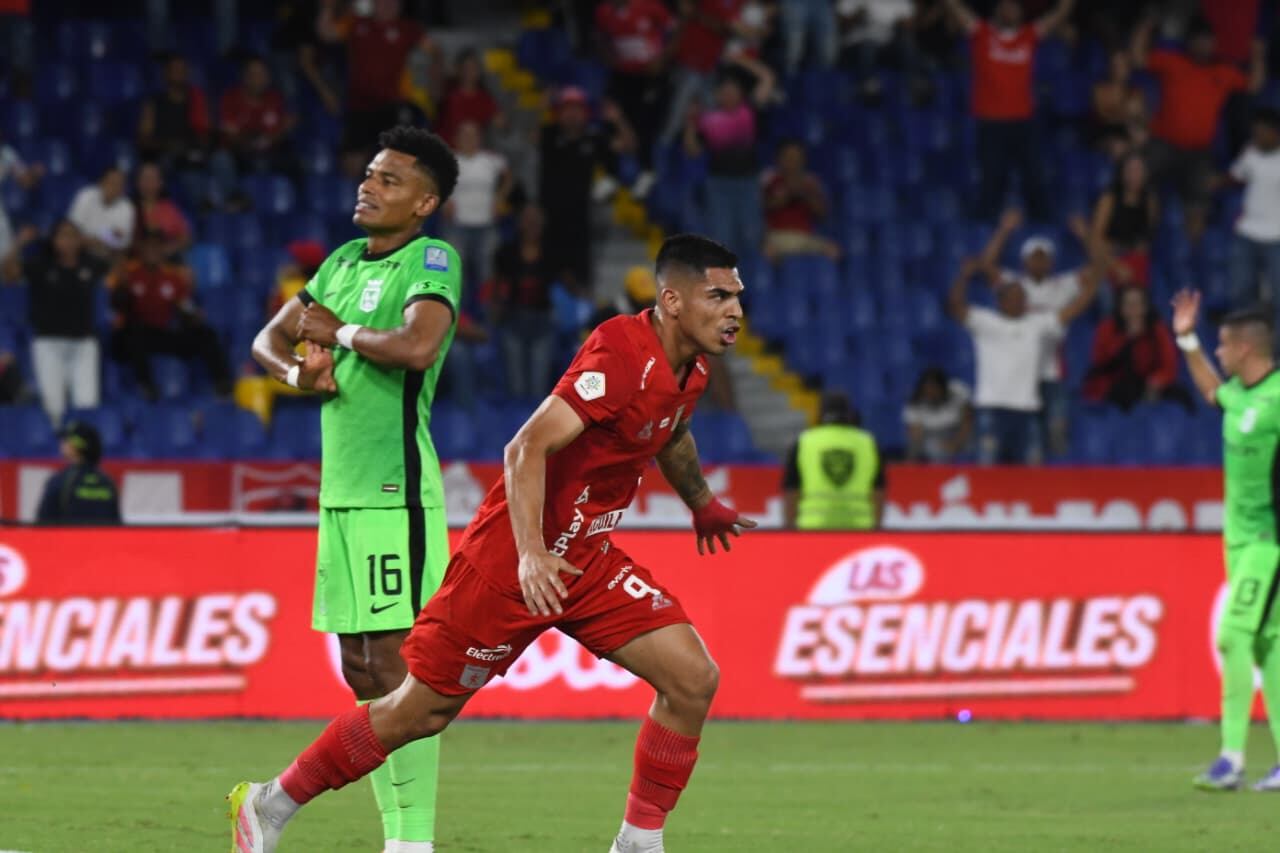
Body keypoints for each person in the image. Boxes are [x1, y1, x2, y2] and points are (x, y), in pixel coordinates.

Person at [227, 234, 756, 853]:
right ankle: (269, 804)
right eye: (718, 295)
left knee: (693, 679)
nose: (736, 310)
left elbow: (671, 429)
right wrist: (531, 551)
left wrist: (701, 503)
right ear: (670, 300)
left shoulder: (690, 370)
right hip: (511, 561)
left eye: (738, 296)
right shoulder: (619, 350)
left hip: (585, 559)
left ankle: (638, 842)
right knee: (416, 712)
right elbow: (525, 447)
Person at [245, 126, 461, 853]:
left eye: (391, 180)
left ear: (425, 201)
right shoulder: (337, 262)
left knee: (407, 671)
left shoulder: (432, 259)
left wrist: (336, 336)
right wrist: (296, 374)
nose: (369, 186)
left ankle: (411, 842)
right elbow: (265, 342)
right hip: (339, 495)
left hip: (395, 493)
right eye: (369, 174)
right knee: (363, 669)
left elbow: (417, 346)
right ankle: (378, 832)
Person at [1170, 291, 1280, 792]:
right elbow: (1213, 392)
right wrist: (1186, 339)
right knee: (1267, 645)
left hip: (1268, 540)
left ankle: (1230, 759)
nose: (1218, 354)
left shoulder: (1278, 398)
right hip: (1236, 543)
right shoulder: (1241, 395)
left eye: (1221, 346)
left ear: (1246, 350)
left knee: (1232, 636)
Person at [949, 255, 1097, 464]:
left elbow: (1075, 309)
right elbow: (956, 307)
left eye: (1022, 297)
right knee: (987, 470)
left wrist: (1095, 280)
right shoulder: (985, 322)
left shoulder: (1037, 324)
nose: (1020, 301)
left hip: (1027, 410)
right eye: (1014, 296)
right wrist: (963, 277)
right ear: (1001, 301)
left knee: (1030, 475)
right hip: (992, 409)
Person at [1132, 15, 1265, 242]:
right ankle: (1140, 244)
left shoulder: (1222, 72)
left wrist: (1258, 54)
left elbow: (1254, 85)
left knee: (1199, 202)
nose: (1206, 45)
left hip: (1199, 152)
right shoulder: (1173, 62)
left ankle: (1193, 259)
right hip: (1164, 144)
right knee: (1139, 183)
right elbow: (1138, 59)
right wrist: (1144, 28)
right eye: (1201, 40)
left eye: (1209, 40)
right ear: (1190, 42)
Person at [979, 209, 1100, 456]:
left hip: (1050, 370)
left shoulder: (1062, 286)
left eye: (1044, 257)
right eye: (1034, 257)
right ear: (1024, 261)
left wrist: (1085, 235)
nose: (1039, 261)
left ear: (1052, 262)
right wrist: (1004, 231)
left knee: (1055, 434)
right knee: (1029, 439)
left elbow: (1098, 267)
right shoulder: (1014, 284)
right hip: (1017, 377)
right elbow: (987, 266)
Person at [943, 0, 1074, 223]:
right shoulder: (982, 32)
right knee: (993, 180)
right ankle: (983, 230)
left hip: (1024, 122)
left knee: (1034, 178)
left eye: (1016, 7)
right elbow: (956, 8)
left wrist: (1066, 6)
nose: (1012, 11)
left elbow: (1058, 16)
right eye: (1007, 6)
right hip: (992, 123)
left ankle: (1043, 228)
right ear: (998, 10)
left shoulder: (1029, 35)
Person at [1, 221, 105, 426]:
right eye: (63, 236)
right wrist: (19, 244)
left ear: (79, 240)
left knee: (87, 404)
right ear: (54, 240)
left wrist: (97, 243)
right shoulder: (41, 264)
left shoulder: (90, 263)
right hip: (49, 344)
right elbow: (8, 274)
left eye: (72, 236)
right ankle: (59, 451)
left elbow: (116, 266)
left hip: (84, 344)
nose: (68, 241)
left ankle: (81, 453)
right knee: (53, 407)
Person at [109, 230, 232, 399]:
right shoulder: (129, 273)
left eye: (156, 246)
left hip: (160, 333)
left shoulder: (173, 277)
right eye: (148, 246)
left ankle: (223, 384)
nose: (152, 250)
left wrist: (193, 315)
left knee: (206, 333)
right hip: (132, 336)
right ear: (141, 249)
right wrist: (121, 287)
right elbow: (117, 305)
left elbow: (184, 307)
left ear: (162, 250)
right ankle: (146, 386)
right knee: (134, 333)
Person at [539, 86, 636, 292]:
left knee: (581, 277)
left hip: (581, 218)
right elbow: (528, 137)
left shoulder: (593, 138)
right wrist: (542, 108)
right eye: (567, 108)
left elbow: (628, 146)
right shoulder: (549, 134)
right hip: (550, 218)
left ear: (585, 113)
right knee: (548, 278)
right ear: (559, 112)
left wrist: (617, 120)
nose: (572, 114)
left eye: (577, 109)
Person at [683, 72, 772, 260]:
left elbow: (767, 79)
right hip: (720, 185)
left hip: (748, 182)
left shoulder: (749, 113)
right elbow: (693, 150)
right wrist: (690, 123)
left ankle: (753, 280)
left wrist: (739, 61)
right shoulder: (709, 121)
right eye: (725, 92)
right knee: (722, 237)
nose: (729, 95)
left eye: (733, 91)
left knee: (751, 235)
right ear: (717, 95)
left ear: (740, 94)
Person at [595, 0, 673, 197]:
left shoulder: (651, 7)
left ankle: (647, 171)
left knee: (643, 124)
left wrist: (662, 60)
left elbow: (675, 32)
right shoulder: (604, 12)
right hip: (622, 75)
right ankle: (611, 174)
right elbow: (599, 36)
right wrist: (608, 55)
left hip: (649, 76)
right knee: (609, 118)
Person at [782, 390, 884, 529]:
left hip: (813, 528)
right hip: (859, 528)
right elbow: (878, 489)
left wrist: (789, 528)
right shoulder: (868, 442)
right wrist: (877, 528)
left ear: (820, 413)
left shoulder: (805, 441)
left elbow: (791, 489)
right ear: (849, 413)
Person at [1083, 286, 1191, 412]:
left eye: (1137, 303)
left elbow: (1169, 365)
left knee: (1180, 396)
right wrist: (1127, 340)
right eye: (1128, 304)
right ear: (1120, 307)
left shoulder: (1157, 330)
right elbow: (1100, 362)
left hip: (1149, 382)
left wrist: (1156, 381)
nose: (1133, 309)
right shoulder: (1107, 329)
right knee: (1123, 395)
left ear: (1145, 307)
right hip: (1116, 383)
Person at [443, 120, 510, 316]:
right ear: (457, 139)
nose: (469, 139)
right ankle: (455, 321)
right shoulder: (449, 161)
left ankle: (488, 322)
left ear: (479, 138)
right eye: (464, 135)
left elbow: (508, 177)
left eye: (473, 135)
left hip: (486, 225)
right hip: (457, 225)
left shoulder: (490, 161)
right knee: (455, 277)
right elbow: (434, 182)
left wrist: (500, 198)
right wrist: (445, 201)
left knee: (487, 277)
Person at [492, 203, 555, 400]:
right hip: (513, 321)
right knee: (516, 388)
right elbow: (496, 286)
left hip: (542, 323)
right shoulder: (506, 252)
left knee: (538, 389)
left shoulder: (551, 252)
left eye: (536, 220)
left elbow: (563, 282)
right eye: (527, 219)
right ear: (520, 223)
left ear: (543, 223)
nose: (532, 224)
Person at [1227, 107, 1280, 318]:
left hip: (1277, 237)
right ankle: (1243, 349)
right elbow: (1233, 177)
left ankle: (1276, 350)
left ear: (1275, 132)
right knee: (1240, 294)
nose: (1257, 136)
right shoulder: (1251, 153)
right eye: (1254, 132)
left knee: (1278, 298)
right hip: (1247, 233)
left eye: (1261, 132)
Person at [1083, 152, 1158, 290]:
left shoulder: (1149, 201)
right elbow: (1094, 241)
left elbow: (1145, 240)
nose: (1134, 175)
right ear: (1122, 172)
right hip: (1107, 257)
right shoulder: (1109, 199)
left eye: (1139, 170)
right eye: (1130, 170)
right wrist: (1116, 266)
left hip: (1134, 259)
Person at [762, 139, 840, 261]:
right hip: (777, 237)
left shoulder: (811, 182)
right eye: (788, 156)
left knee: (834, 251)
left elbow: (822, 213)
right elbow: (759, 208)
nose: (793, 161)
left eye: (796, 157)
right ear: (779, 159)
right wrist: (782, 197)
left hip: (805, 237)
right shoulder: (769, 178)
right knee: (766, 252)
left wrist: (805, 195)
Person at [35, 421, 121, 525]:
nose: (62, 443)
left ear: (76, 445)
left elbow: (42, 525)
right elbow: (117, 526)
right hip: (102, 541)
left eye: (66, 440)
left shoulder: (59, 481)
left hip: (67, 541)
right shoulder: (108, 482)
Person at [903, 366, 973, 462]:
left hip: (958, 432)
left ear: (943, 388)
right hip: (931, 436)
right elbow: (916, 435)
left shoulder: (958, 391)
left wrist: (955, 443)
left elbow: (967, 422)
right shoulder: (915, 402)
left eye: (934, 389)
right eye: (927, 390)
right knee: (933, 448)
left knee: (975, 445)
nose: (930, 393)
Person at [67, 167, 136, 262]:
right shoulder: (85, 196)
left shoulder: (127, 207)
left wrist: (90, 237)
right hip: (80, 253)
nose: (114, 187)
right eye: (111, 182)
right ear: (101, 182)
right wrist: (109, 235)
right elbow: (72, 231)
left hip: (109, 258)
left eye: (119, 184)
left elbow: (124, 242)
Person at [133, 161, 192, 260]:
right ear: (137, 182)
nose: (148, 183)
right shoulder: (128, 208)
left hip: (164, 260)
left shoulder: (169, 209)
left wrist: (169, 249)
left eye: (152, 178)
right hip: (135, 259)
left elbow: (186, 238)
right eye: (144, 178)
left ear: (160, 183)